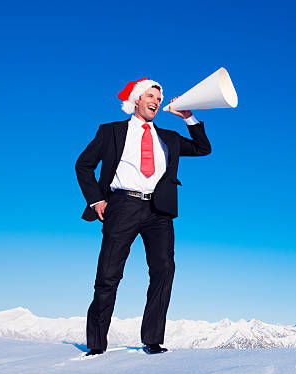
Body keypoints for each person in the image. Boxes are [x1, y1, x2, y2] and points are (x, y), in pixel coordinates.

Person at [75, 78, 211, 356]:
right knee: (108, 274)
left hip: (159, 211)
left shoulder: (169, 138)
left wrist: (188, 117)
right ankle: (96, 345)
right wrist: (96, 200)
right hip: (122, 205)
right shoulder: (111, 132)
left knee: (164, 271)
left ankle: (152, 340)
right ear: (136, 100)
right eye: (150, 96)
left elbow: (202, 148)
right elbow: (84, 165)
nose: (156, 102)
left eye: (159, 98)